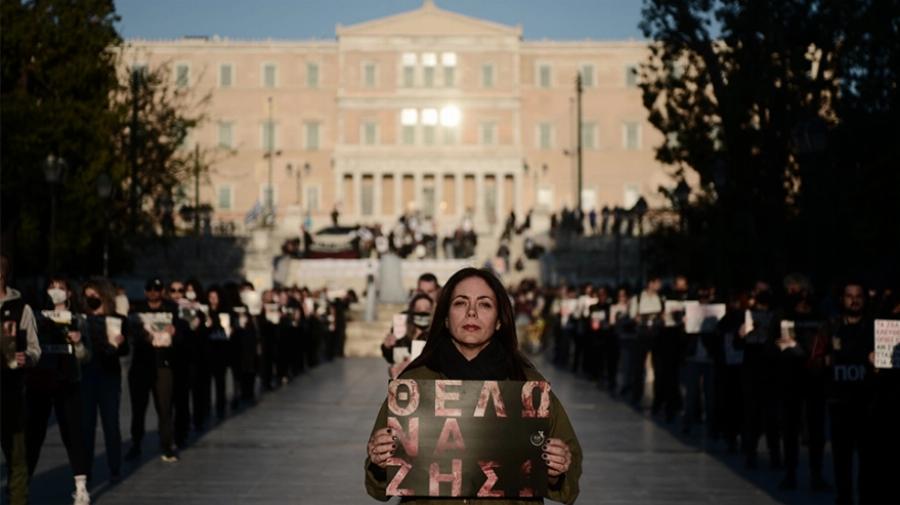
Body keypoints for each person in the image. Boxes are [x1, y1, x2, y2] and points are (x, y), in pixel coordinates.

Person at [364, 268, 582, 503]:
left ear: (499, 320)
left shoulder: (528, 386)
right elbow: (379, 485)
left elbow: (568, 478)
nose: (471, 313)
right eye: (460, 303)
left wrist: (557, 469)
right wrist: (379, 460)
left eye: (485, 304)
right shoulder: (413, 384)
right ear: (446, 318)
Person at [27, 277, 92, 504]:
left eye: (61, 288)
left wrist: (79, 343)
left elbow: (86, 356)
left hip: (68, 381)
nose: (56, 292)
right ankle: (21, 485)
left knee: (73, 433)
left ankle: (81, 487)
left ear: (69, 293)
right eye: (52, 287)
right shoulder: (36, 317)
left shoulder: (79, 320)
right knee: (33, 434)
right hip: (41, 381)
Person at [818, 282, 875, 504]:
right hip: (839, 403)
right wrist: (824, 361)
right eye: (849, 296)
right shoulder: (830, 326)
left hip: (868, 404)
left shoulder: (874, 327)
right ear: (841, 299)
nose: (854, 300)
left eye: (858, 295)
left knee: (868, 460)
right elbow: (813, 360)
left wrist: (879, 362)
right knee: (842, 459)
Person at [126, 277, 180, 463]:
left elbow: (180, 336)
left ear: (162, 291)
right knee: (138, 408)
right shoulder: (137, 309)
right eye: (150, 289)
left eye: (157, 289)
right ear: (145, 291)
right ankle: (136, 443)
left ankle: (167, 445)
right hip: (141, 364)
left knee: (164, 408)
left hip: (163, 363)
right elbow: (128, 334)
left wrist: (175, 332)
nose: (153, 292)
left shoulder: (171, 309)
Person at [1, 255, 40, 505]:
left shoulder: (21, 308)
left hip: (10, 392)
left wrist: (27, 356)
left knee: (16, 457)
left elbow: (36, 349)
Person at [81, 279, 129, 483]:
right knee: (86, 425)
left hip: (109, 376)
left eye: (95, 296)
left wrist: (120, 343)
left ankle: (115, 467)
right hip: (87, 376)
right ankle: (85, 470)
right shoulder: (81, 320)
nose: (91, 299)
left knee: (111, 424)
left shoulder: (117, 319)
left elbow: (125, 350)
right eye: (88, 296)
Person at [380, 293, 434, 378]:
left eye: (427, 309)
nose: (422, 311)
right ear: (412, 310)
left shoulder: (436, 332)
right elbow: (391, 358)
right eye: (418, 308)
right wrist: (387, 347)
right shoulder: (402, 328)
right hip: (402, 379)